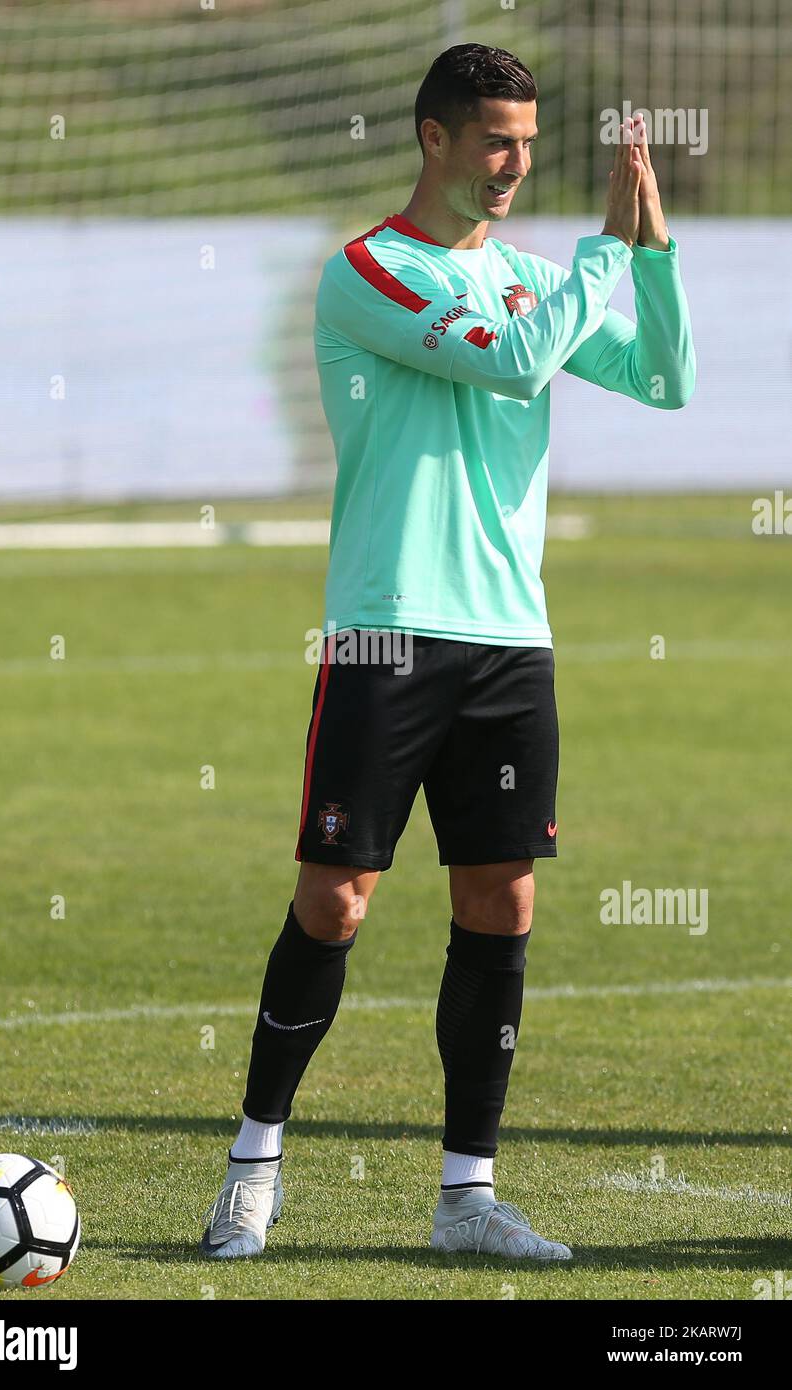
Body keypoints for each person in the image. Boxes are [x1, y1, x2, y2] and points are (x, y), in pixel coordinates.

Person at [201, 43, 695, 1261]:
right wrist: (599, 254)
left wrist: (653, 256)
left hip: (508, 641)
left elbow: (664, 377)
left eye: (525, 143)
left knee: (501, 898)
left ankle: (465, 1199)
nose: (512, 164)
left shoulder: (536, 274)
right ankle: (251, 1167)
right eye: (492, 141)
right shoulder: (367, 271)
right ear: (432, 137)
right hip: (384, 629)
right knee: (335, 901)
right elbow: (517, 357)